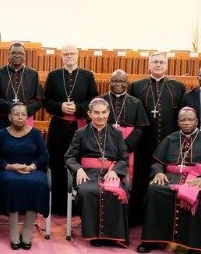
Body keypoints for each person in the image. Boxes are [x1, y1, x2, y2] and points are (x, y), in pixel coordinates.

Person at [137, 107, 201, 254]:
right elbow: (157, 162)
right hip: (170, 178)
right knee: (154, 191)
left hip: (196, 179)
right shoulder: (170, 139)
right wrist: (158, 173)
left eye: (190, 119)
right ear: (178, 122)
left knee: (198, 195)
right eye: (183, 120)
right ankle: (152, 240)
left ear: (196, 121)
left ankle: (194, 245)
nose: (187, 123)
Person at [128, 52, 186, 225]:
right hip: (143, 143)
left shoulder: (178, 87)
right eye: (155, 62)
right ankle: (137, 217)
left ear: (166, 65)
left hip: (169, 144)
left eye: (162, 62)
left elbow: (182, 117)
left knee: (165, 182)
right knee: (140, 180)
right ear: (149, 65)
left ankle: (163, 220)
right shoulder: (137, 86)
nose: (158, 65)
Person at [64, 98, 130, 248]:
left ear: (108, 113)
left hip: (110, 173)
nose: (100, 116)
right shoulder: (80, 133)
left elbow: (123, 157)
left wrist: (116, 171)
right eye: (96, 113)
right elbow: (69, 156)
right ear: (89, 114)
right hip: (87, 173)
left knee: (117, 191)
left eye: (104, 112)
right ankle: (94, 234)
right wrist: (78, 169)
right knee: (88, 191)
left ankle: (112, 236)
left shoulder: (116, 133)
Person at [43, 44, 98, 215]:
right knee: (57, 162)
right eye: (66, 54)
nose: (69, 57)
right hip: (58, 126)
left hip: (79, 126)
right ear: (61, 56)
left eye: (72, 53)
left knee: (79, 161)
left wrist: (78, 108)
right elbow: (46, 101)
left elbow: (93, 100)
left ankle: (79, 206)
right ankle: (58, 206)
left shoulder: (87, 76)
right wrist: (60, 106)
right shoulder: (53, 75)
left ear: (77, 54)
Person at [0, 102, 50, 250]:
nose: (20, 117)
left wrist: (31, 167)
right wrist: (11, 166)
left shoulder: (35, 133)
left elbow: (45, 157)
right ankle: (14, 229)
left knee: (38, 183)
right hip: (8, 171)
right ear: (9, 117)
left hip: (32, 169)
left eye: (24, 114)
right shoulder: (2, 134)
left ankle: (28, 228)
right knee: (12, 183)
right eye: (16, 114)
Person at [99, 69, 149, 182]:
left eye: (122, 81)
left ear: (127, 83)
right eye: (115, 81)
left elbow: (140, 127)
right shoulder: (100, 100)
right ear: (109, 82)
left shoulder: (136, 102)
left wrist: (126, 146)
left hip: (128, 144)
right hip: (105, 143)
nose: (118, 84)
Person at [0, 42, 43, 134]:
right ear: (9, 54)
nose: (17, 56)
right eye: (13, 53)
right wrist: (10, 106)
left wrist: (24, 109)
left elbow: (39, 101)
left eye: (20, 53)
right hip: (3, 121)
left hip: (25, 120)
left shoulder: (33, 74)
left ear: (24, 55)